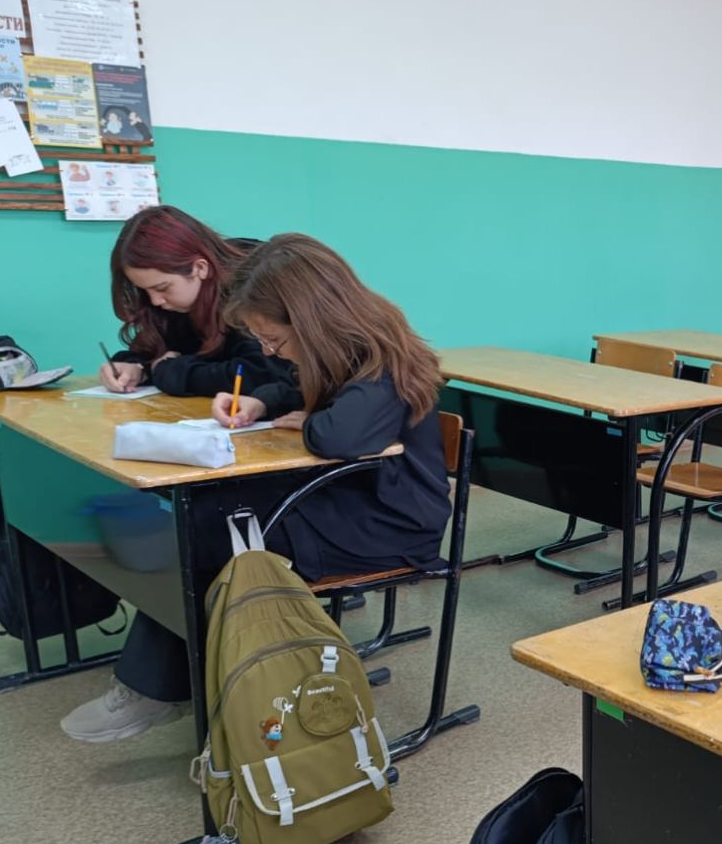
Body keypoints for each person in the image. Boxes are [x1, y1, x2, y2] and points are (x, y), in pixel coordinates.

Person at [61, 234, 451, 743]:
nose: (269, 351)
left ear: (311, 319)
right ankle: (181, 678)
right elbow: (298, 388)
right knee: (195, 513)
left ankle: (157, 689)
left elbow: (338, 435)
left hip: (388, 523)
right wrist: (262, 403)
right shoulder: (341, 348)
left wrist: (311, 420)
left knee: (201, 534)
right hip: (341, 497)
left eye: (275, 341)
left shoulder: (388, 358)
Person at [99, 205, 288, 398]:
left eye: (162, 288)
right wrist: (135, 367)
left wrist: (169, 372)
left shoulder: (252, 287)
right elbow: (157, 351)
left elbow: (260, 373)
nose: (155, 300)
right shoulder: (178, 304)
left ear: (200, 268)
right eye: (144, 290)